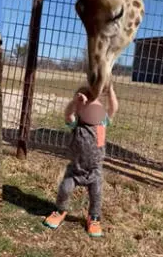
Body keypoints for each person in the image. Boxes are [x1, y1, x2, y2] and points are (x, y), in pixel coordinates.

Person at [43, 84, 118, 237]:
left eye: (96, 102)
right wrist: (76, 102)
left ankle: (94, 218)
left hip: (94, 171)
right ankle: (60, 210)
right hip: (75, 170)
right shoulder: (76, 123)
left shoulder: (102, 122)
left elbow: (113, 108)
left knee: (96, 195)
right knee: (65, 189)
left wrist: (110, 89)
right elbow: (67, 114)